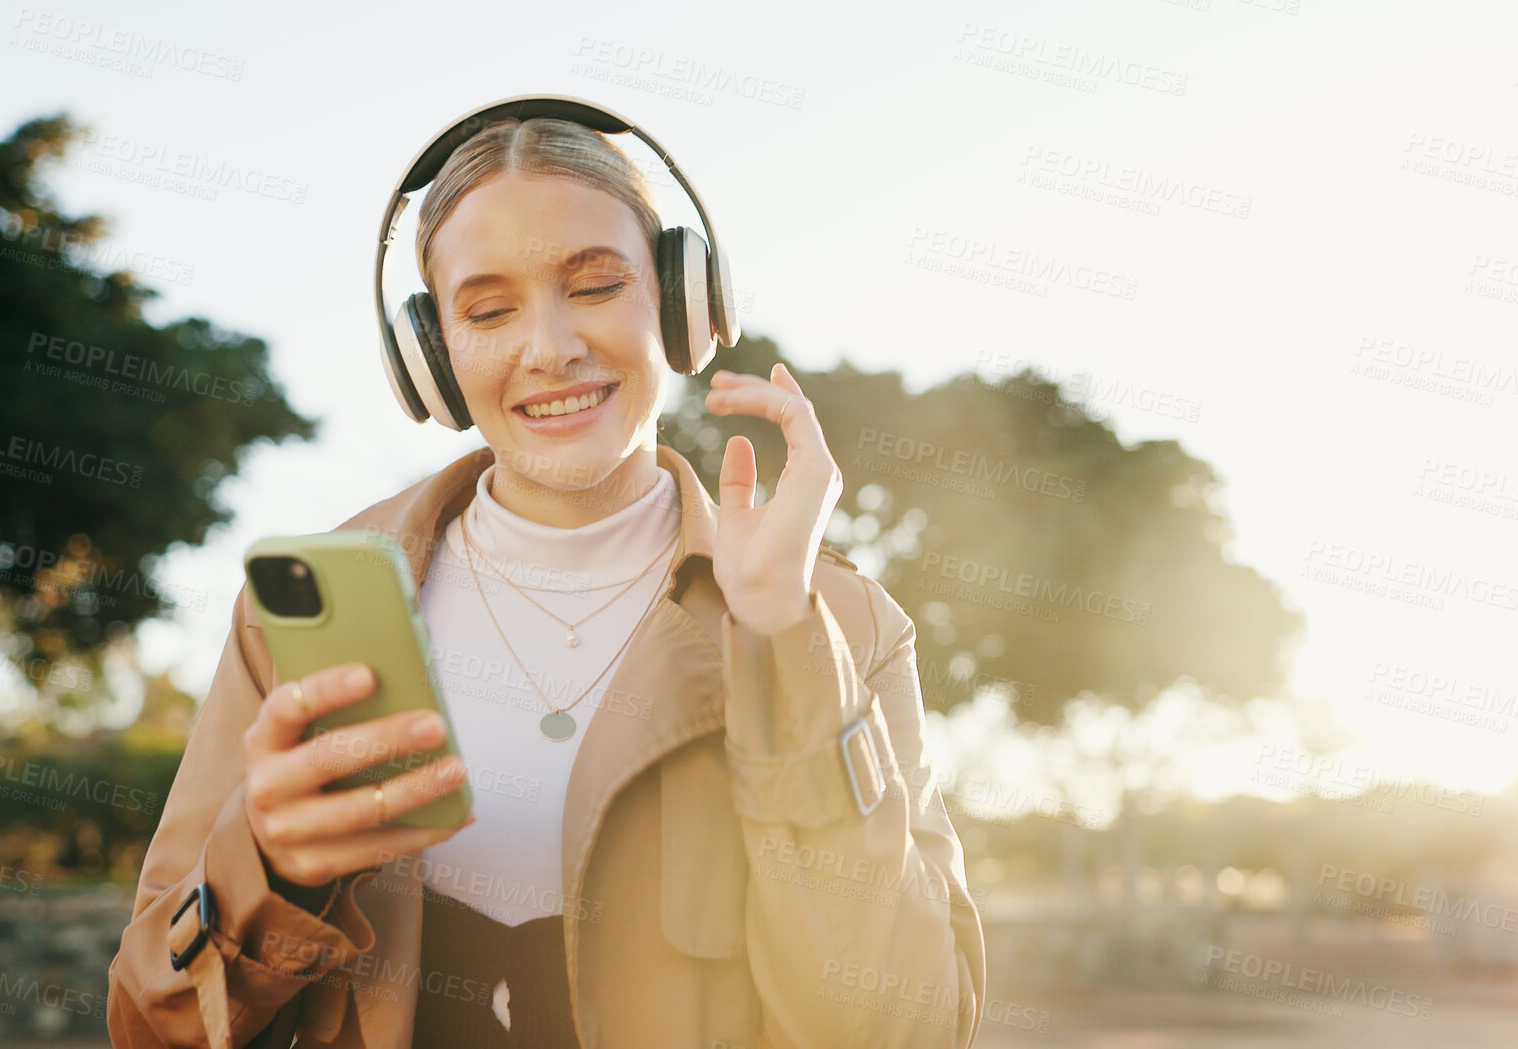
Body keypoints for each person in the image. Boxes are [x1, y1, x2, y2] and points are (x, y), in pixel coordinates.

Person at [106, 96, 986, 1049]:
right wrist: (266, 868)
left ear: (684, 303)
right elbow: (151, 1028)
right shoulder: (304, 618)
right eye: (487, 309)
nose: (549, 347)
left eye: (597, 285)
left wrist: (782, 634)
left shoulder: (842, 621)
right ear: (433, 357)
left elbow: (908, 1029)